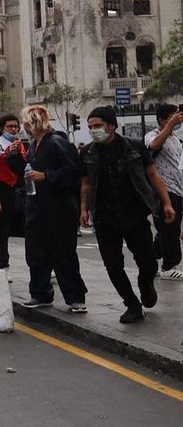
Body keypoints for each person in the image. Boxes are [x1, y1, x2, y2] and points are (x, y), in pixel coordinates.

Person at [81, 106, 176, 324]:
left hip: (135, 214)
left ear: (112, 125)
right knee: (113, 265)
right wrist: (84, 208)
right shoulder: (87, 152)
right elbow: (85, 183)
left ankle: (145, 285)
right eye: (90, 127)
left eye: (98, 126)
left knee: (149, 263)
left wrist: (167, 203)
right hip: (104, 218)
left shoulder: (133, 147)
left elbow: (152, 175)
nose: (94, 130)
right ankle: (131, 304)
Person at [18, 105, 88, 313]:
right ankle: (40, 293)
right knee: (36, 253)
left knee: (62, 253)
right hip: (37, 208)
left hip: (58, 209)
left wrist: (47, 175)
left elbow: (74, 172)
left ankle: (75, 297)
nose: (25, 127)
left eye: (27, 123)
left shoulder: (57, 143)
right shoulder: (34, 145)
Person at [0, 114, 27, 280]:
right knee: (2, 232)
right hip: (3, 193)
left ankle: (39, 265)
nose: (14, 129)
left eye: (16, 126)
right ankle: (4, 266)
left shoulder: (21, 145)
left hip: (21, 194)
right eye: (10, 127)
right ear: (1, 128)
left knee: (29, 230)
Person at [144, 104, 183, 280]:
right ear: (162, 119)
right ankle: (169, 266)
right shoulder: (152, 135)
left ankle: (151, 257)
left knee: (169, 229)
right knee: (170, 229)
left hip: (179, 187)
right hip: (163, 189)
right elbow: (153, 146)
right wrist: (169, 126)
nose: (178, 119)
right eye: (173, 116)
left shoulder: (176, 138)